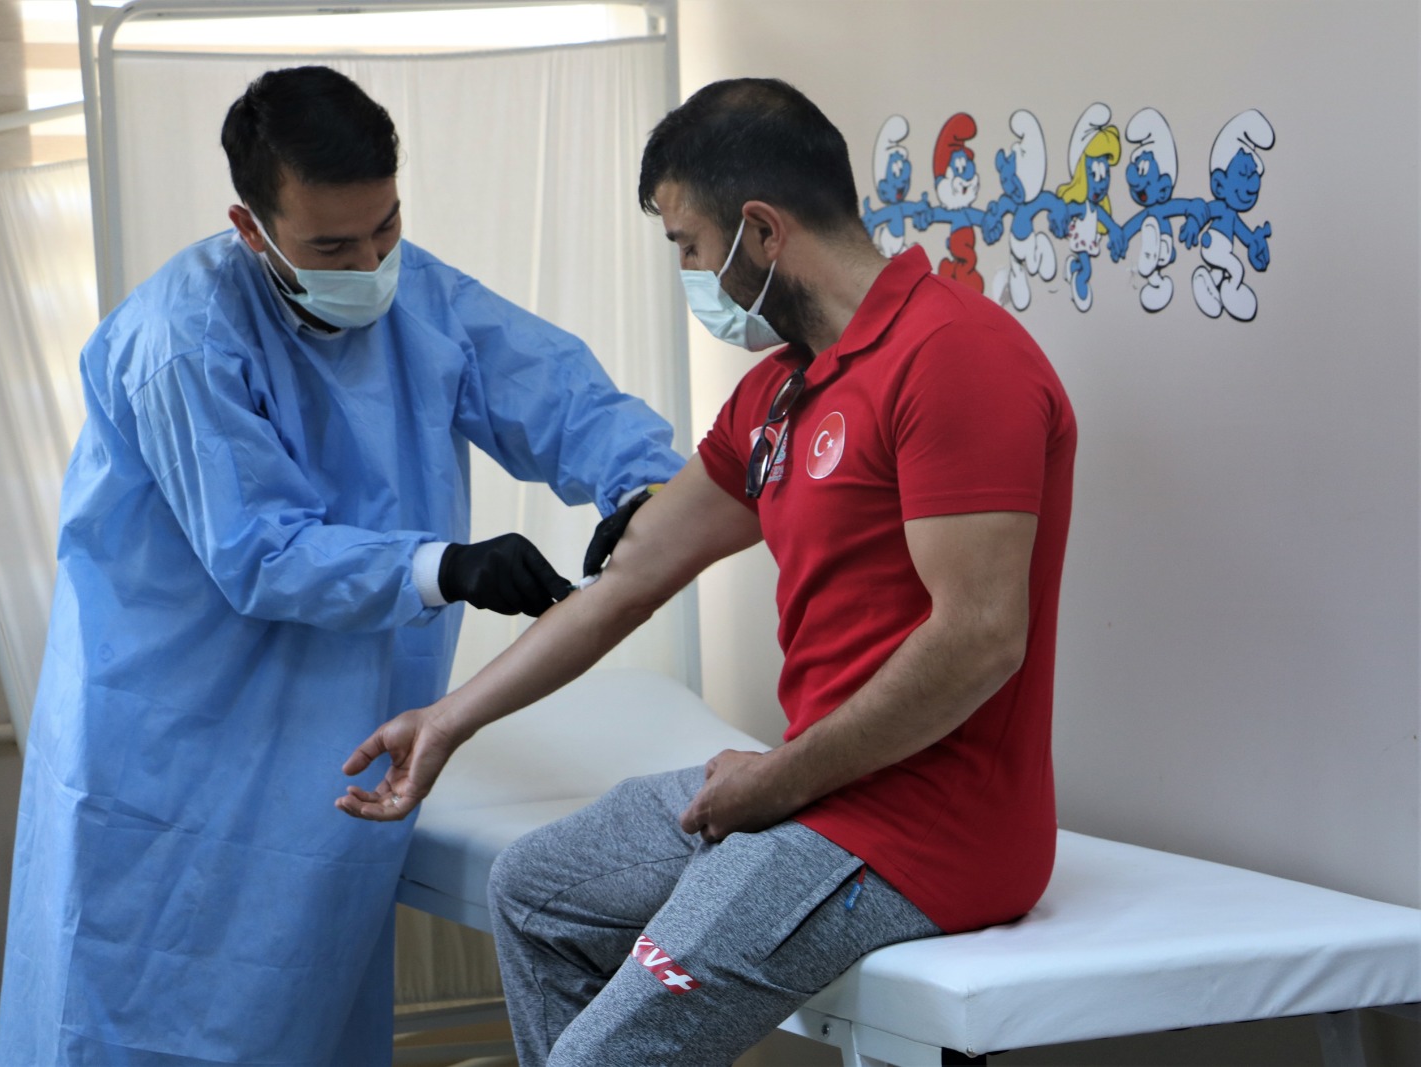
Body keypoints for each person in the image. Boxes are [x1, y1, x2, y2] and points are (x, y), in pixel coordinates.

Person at [338, 77, 1076, 1066]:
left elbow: (979, 638)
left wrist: (775, 780)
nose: (689, 271)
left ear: (761, 231)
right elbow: (629, 579)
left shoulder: (954, 357)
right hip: (820, 790)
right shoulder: (780, 392)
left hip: (927, 830)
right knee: (536, 890)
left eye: (688, 245)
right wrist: (446, 720)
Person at [0, 65, 683, 1066]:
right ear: (251, 227)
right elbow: (260, 549)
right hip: (171, 754)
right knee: (139, 1020)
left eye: (385, 228)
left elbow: (560, 394)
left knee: (303, 1015)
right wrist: (447, 567)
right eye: (331, 246)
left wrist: (647, 486)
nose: (369, 263)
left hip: (333, 744)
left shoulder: (419, 299)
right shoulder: (180, 342)